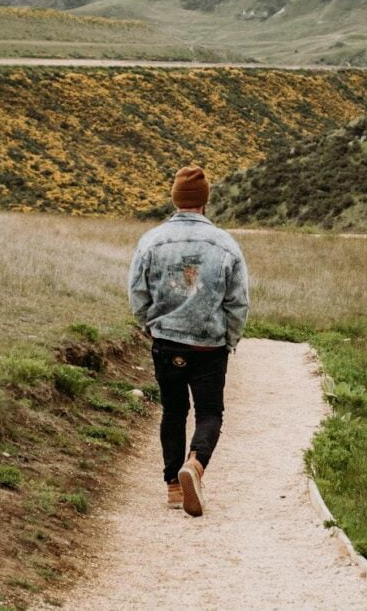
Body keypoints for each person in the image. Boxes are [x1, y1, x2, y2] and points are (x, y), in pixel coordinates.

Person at [128, 166, 250, 517]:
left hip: (166, 340)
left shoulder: (151, 240)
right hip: (209, 345)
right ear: (205, 200)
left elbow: (137, 292)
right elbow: (238, 302)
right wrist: (230, 338)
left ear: (175, 199)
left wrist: (148, 325)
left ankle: (173, 487)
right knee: (209, 412)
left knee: (173, 410)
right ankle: (195, 464)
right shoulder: (225, 244)